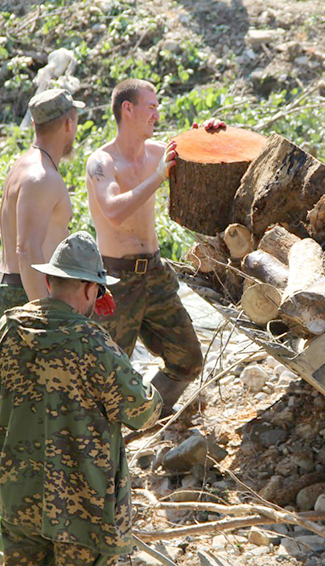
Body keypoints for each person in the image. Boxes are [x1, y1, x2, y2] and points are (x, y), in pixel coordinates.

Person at [0, 231, 162, 565]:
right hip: (82, 510)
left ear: (49, 281)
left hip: (19, 499)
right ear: (92, 288)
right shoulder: (96, 345)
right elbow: (144, 411)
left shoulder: (8, 328)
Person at [85, 78, 204, 415]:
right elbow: (114, 211)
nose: (157, 113)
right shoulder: (102, 162)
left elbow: (199, 157)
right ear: (128, 108)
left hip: (155, 273)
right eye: (151, 106)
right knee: (104, 375)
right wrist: (157, 178)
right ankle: (102, 447)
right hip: (116, 281)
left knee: (188, 360)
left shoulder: (156, 152)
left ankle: (145, 418)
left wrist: (206, 135)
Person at [0, 88, 83, 340]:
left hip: (11, 290)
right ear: (69, 123)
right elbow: (26, 249)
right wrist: (44, 315)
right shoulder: (41, 177)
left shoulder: (25, 164)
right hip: (24, 295)